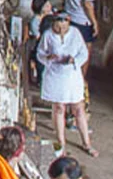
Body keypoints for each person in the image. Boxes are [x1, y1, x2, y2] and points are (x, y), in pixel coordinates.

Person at [37, 10, 98, 157]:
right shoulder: (48, 35)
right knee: (59, 108)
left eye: (64, 27)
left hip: (72, 75)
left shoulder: (75, 33)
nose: (61, 30)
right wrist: (48, 57)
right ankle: (61, 143)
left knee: (78, 109)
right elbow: (40, 53)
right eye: (58, 27)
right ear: (54, 24)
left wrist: (74, 60)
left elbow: (83, 53)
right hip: (55, 75)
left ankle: (87, 143)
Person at [29, 0, 52, 88]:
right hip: (39, 45)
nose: (50, 6)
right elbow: (38, 37)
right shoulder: (35, 21)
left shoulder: (50, 16)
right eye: (46, 5)